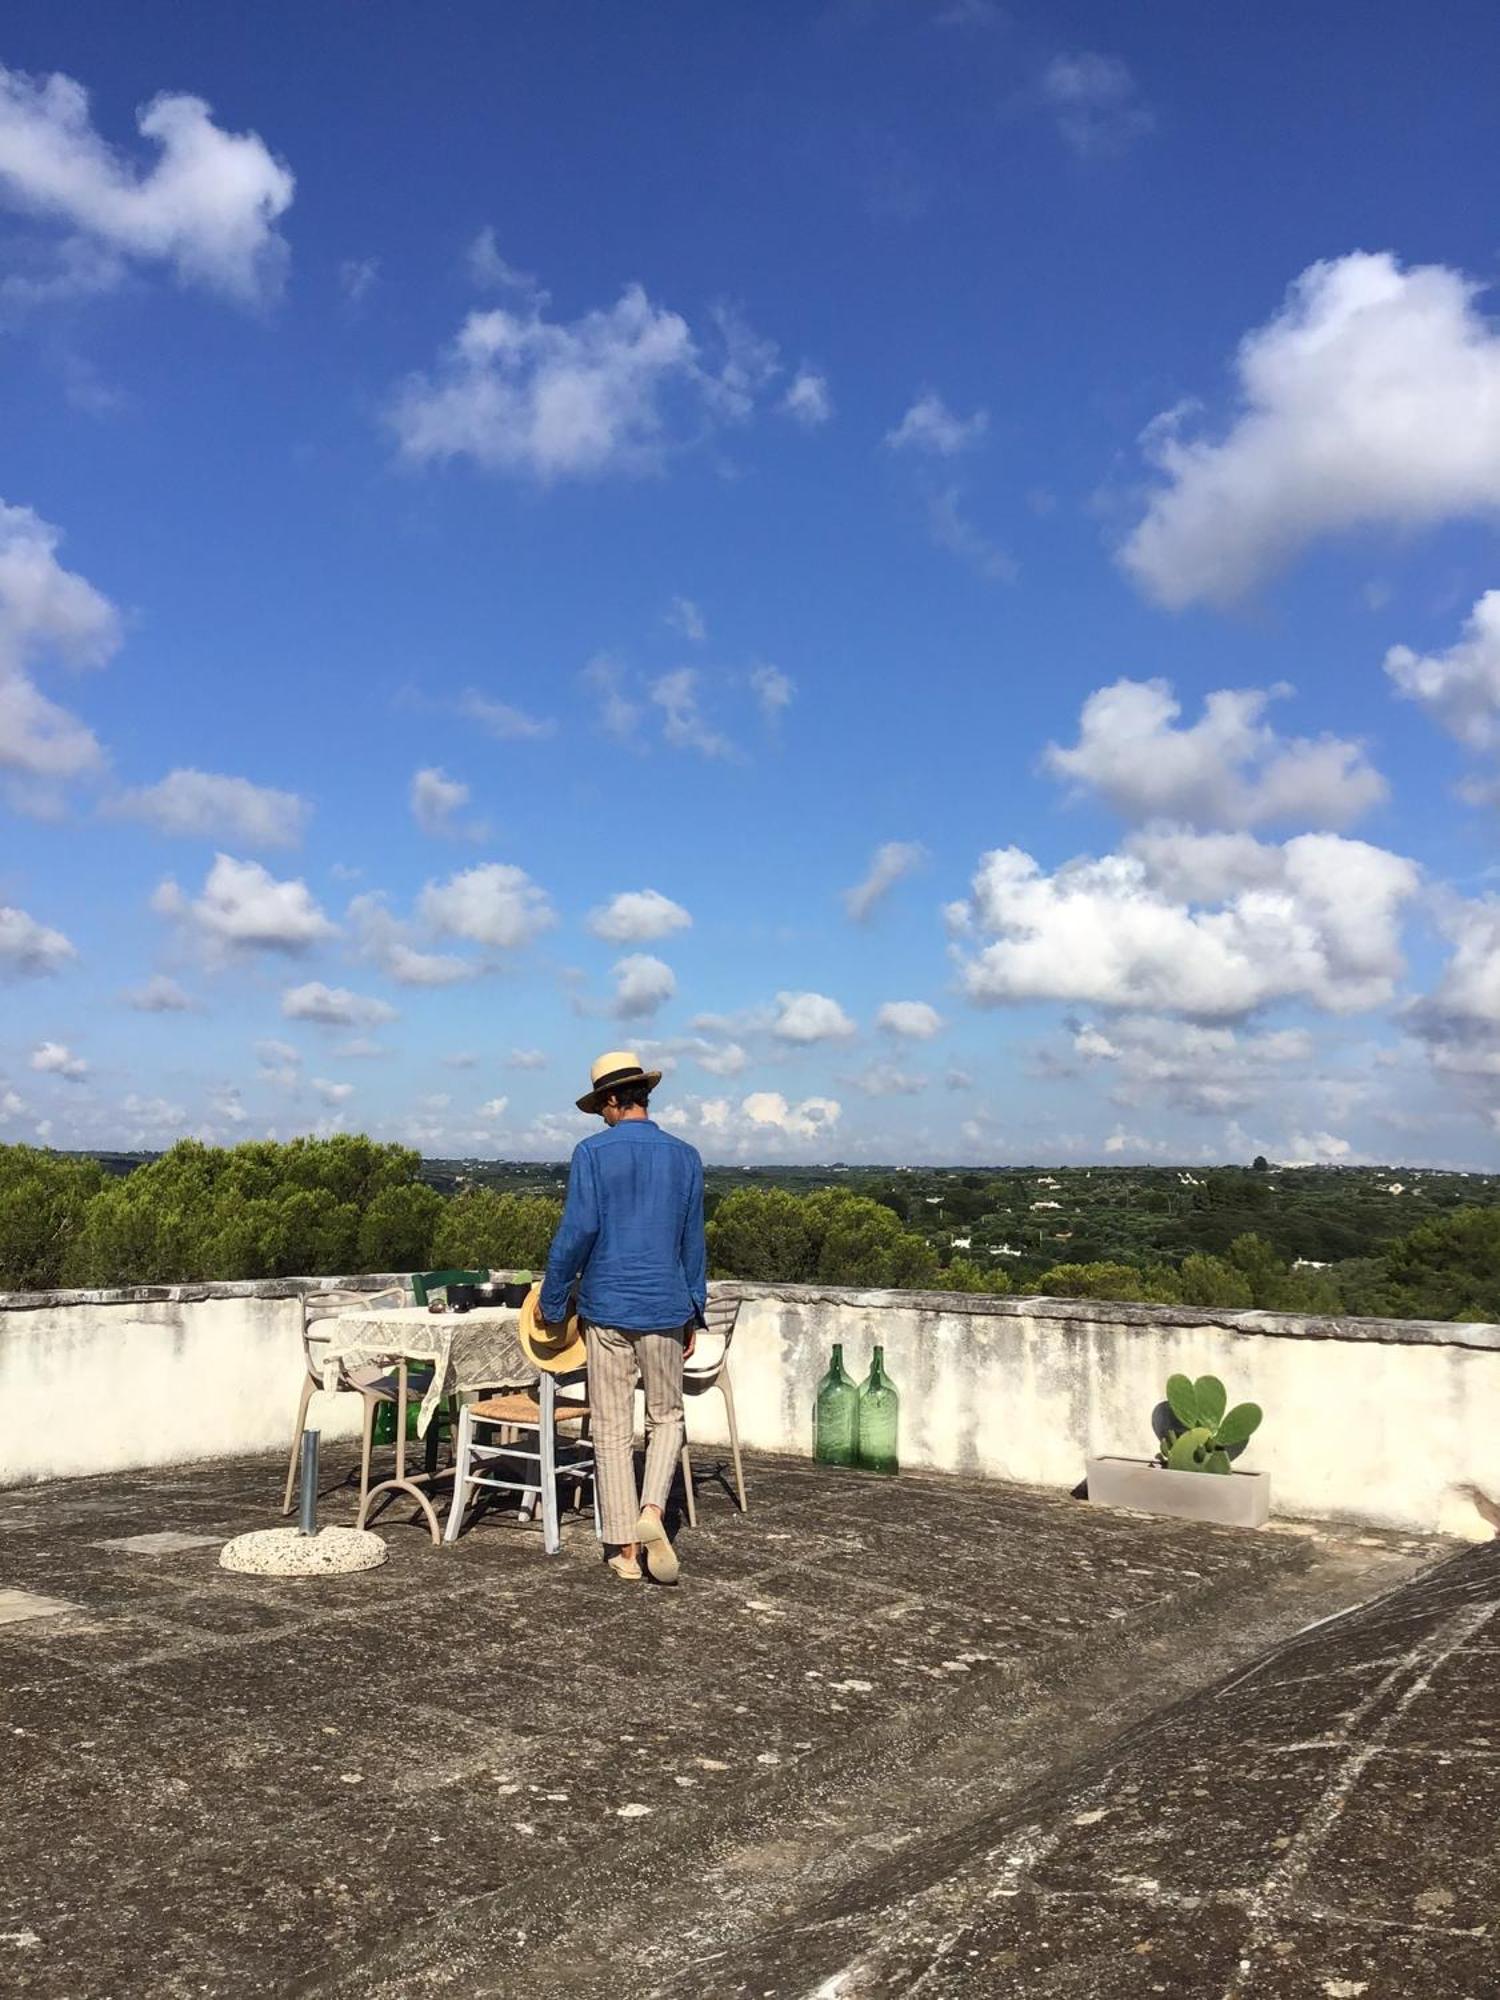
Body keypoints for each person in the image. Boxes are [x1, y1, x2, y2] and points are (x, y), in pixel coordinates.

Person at [537, 1051, 706, 1584]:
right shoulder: (686, 1157)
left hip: (607, 1307)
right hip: (665, 1304)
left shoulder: (591, 1153)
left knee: (610, 1426)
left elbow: (577, 1232)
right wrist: (693, 1313)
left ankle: (625, 1550)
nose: (601, 1118)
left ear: (613, 1100)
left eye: (601, 1109)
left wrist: (554, 1297)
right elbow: (693, 1243)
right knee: (668, 1417)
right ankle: (653, 1511)